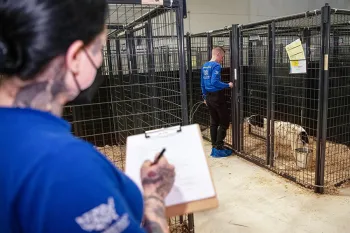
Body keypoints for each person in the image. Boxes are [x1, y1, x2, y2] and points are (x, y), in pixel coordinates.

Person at [0, 1, 176, 233]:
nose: (100, 59)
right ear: (75, 58)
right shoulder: (64, 165)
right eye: (100, 47)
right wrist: (155, 196)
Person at [201, 47, 234, 158]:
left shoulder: (205, 66)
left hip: (209, 97)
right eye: (222, 57)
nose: (222, 60)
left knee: (214, 122)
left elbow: (202, 83)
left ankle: (214, 146)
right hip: (217, 97)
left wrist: (205, 97)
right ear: (218, 54)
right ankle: (219, 147)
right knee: (224, 121)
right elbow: (214, 81)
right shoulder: (216, 66)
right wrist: (227, 85)